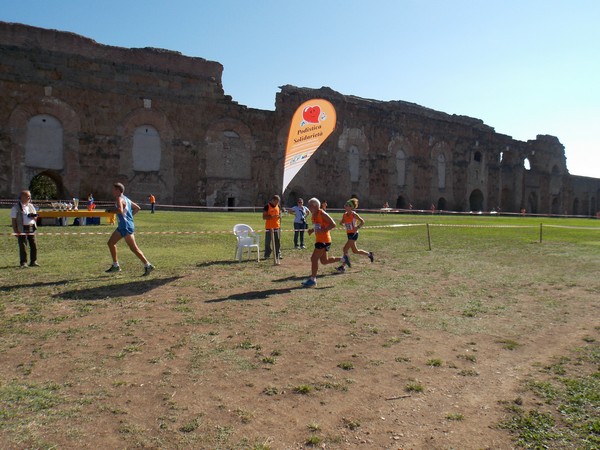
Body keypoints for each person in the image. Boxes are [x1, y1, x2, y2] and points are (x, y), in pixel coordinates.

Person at [105, 182, 154, 275]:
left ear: (118, 190)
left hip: (126, 226)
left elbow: (120, 210)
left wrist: (110, 210)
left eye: (114, 189)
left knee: (134, 248)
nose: (112, 191)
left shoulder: (120, 198)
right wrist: (129, 217)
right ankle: (116, 265)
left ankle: (148, 265)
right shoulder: (126, 198)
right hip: (124, 226)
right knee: (111, 243)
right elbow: (137, 208)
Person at [301, 198, 350, 288]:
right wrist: (312, 230)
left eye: (310, 205)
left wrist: (324, 230)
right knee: (324, 261)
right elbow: (318, 225)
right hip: (320, 240)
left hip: (324, 240)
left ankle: (312, 280)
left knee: (314, 258)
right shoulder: (314, 215)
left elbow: (333, 224)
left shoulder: (322, 213)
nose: (308, 207)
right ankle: (343, 259)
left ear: (315, 206)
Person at [337, 198, 374, 272]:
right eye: (345, 205)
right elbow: (342, 222)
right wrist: (342, 223)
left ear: (351, 207)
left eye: (347, 205)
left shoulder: (354, 214)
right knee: (355, 251)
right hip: (349, 234)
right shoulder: (345, 214)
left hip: (354, 234)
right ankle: (369, 254)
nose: (345, 206)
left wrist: (357, 227)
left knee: (345, 249)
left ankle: (343, 266)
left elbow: (362, 221)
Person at [10, 190, 39, 268]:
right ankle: (23, 263)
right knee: (23, 246)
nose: (29, 197)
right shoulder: (15, 208)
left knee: (34, 245)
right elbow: (13, 221)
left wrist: (34, 216)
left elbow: (36, 216)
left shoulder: (31, 206)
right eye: (27, 196)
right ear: (22, 197)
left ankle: (33, 261)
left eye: (29, 196)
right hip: (21, 228)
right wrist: (15, 231)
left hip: (31, 227)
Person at [263, 194, 282, 260]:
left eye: (278, 202)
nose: (277, 203)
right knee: (267, 242)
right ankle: (267, 254)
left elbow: (279, 214)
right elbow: (264, 217)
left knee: (278, 242)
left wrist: (279, 216)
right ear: (273, 200)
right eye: (276, 202)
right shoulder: (267, 206)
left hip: (277, 227)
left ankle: (278, 254)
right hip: (269, 227)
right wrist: (271, 217)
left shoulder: (278, 206)